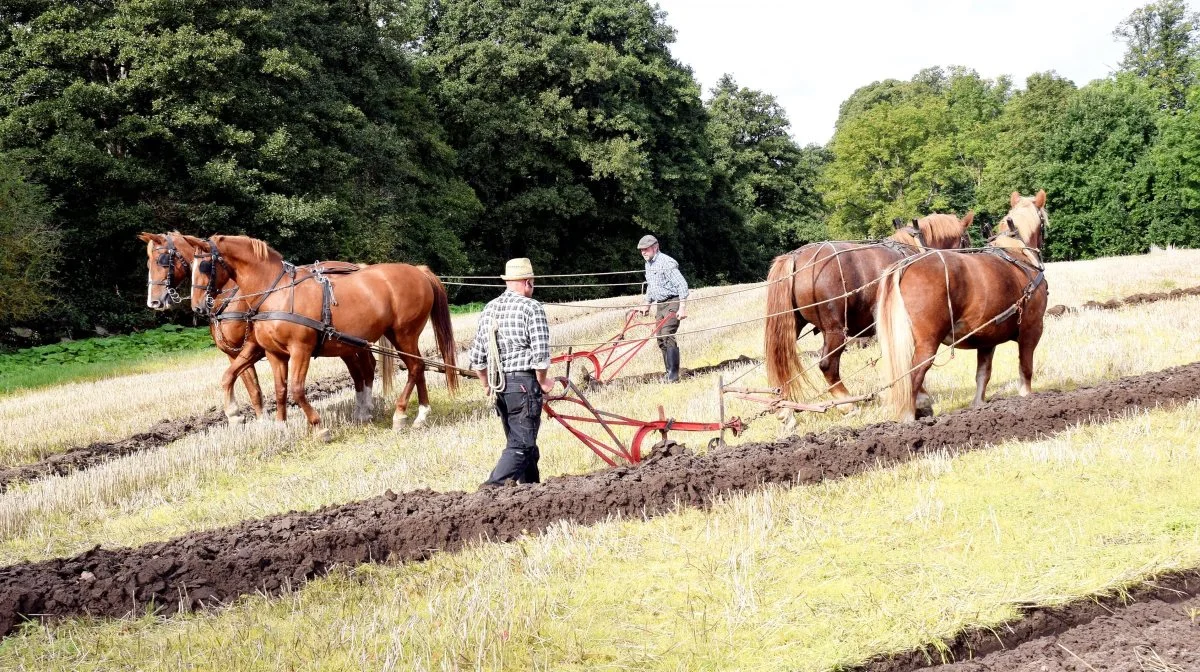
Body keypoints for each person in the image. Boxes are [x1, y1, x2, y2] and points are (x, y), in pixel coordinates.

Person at [468, 257, 555, 486]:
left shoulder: (489, 309)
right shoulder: (531, 307)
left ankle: (530, 492)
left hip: (501, 388)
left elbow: (477, 358)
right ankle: (492, 488)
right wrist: (544, 382)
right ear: (528, 282)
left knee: (525, 443)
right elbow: (540, 355)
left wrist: (486, 384)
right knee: (522, 445)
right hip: (523, 384)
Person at [637, 234, 688, 382]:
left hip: (673, 301)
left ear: (655, 247)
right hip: (660, 304)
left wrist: (682, 307)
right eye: (641, 250)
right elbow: (652, 286)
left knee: (667, 333)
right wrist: (647, 304)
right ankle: (668, 372)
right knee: (660, 338)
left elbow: (682, 284)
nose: (643, 253)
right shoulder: (649, 264)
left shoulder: (666, 262)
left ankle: (673, 375)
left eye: (645, 249)